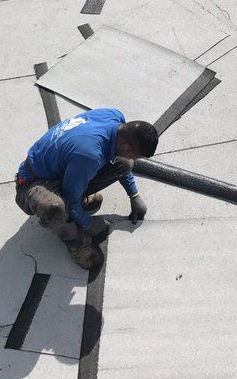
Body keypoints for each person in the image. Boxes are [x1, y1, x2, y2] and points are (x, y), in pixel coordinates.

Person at [15, 108, 159, 268]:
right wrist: (88, 223)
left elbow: (119, 159)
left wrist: (134, 194)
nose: (134, 158)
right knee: (54, 208)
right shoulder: (89, 155)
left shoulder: (113, 117)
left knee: (125, 164)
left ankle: (74, 193)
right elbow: (72, 199)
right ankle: (74, 241)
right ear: (125, 146)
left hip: (63, 168)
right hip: (33, 181)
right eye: (135, 155)